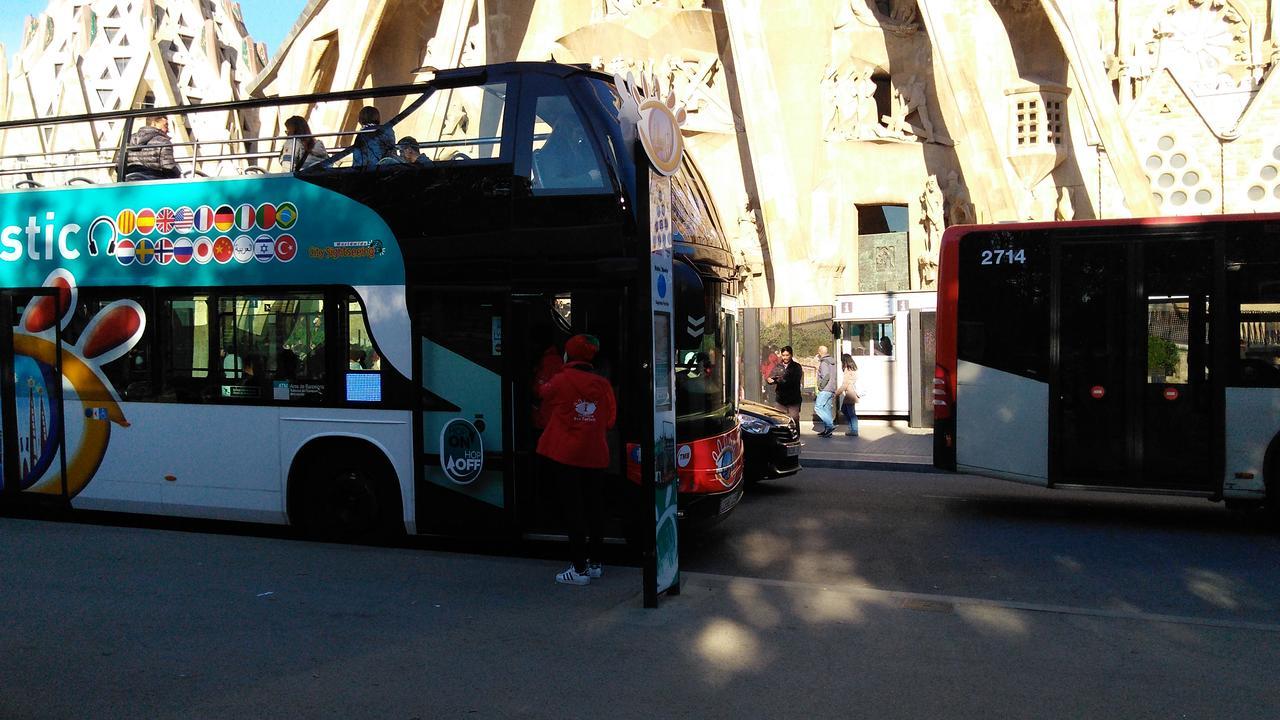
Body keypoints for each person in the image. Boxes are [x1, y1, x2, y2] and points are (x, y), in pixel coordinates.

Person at [536, 334, 616, 586]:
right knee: (595, 509)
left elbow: (541, 392)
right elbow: (610, 420)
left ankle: (578, 568)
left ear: (568, 355)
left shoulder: (560, 380)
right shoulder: (603, 385)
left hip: (566, 456)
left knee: (574, 511)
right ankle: (595, 563)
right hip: (596, 455)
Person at [124, 115, 181, 180]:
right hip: (154, 181)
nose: (168, 130)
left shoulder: (128, 140)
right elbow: (168, 167)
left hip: (129, 180)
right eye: (166, 125)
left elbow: (118, 165)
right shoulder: (163, 141)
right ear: (154, 124)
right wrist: (178, 174)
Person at [766, 345, 804, 423]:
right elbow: (771, 376)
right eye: (783, 355)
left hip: (793, 399)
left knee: (794, 419)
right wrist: (769, 380)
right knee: (780, 421)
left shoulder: (796, 367)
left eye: (787, 355)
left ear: (791, 355)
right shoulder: (778, 366)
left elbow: (793, 380)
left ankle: (795, 434)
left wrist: (777, 380)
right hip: (780, 399)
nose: (785, 357)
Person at [814, 345, 838, 438]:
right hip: (832, 388)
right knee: (827, 409)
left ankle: (830, 426)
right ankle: (827, 430)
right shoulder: (833, 361)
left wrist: (820, 386)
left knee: (818, 407)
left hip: (825, 389)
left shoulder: (824, 362)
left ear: (820, 352)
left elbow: (826, 376)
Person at [836, 353, 860, 436]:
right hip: (850, 393)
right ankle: (852, 428)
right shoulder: (853, 369)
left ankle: (854, 429)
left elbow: (845, 384)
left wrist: (837, 393)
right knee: (845, 410)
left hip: (850, 394)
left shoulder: (848, 369)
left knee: (851, 413)